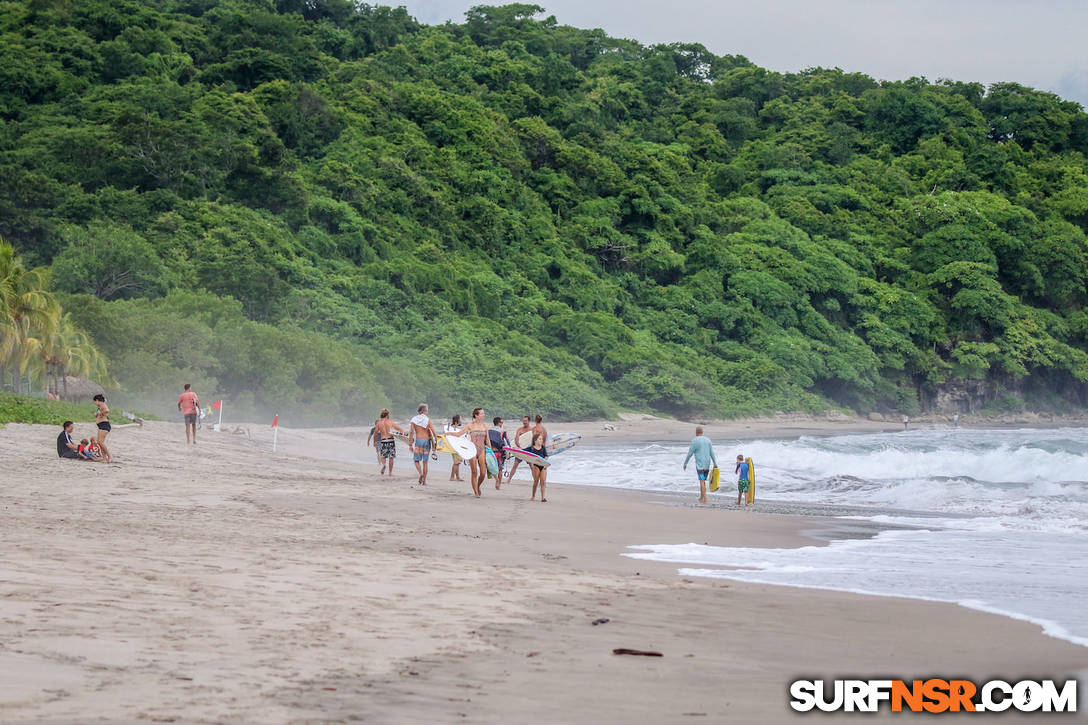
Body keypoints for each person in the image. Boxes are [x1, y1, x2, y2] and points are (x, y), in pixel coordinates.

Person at [447, 407, 489, 497]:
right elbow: (459, 434)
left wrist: (491, 452)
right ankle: (476, 492)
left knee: (483, 473)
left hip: (482, 450)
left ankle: (478, 486)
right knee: (474, 472)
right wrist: (450, 434)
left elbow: (487, 440)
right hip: (472, 450)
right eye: (482, 413)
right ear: (476, 415)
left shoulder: (485, 426)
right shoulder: (470, 425)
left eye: (483, 413)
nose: (483, 415)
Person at [682, 426, 718, 504]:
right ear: (702, 432)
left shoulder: (694, 441)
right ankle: (701, 497)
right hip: (707, 464)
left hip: (700, 466)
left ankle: (705, 499)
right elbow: (712, 453)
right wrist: (715, 463)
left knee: (701, 481)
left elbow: (690, 454)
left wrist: (685, 464)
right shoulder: (708, 440)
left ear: (696, 432)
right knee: (703, 480)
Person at [409, 403, 439, 485]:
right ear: (424, 411)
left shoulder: (414, 419)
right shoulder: (428, 420)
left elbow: (411, 432)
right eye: (427, 411)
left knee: (416, 460)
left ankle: (421, 473)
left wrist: (410, 444)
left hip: (419, 441)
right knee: (425, 462)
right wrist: (435, 445)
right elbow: (433, 433)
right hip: (426, 441)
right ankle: (424, 481)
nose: (427, 413)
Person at [374, 409, 405, 476]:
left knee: (383, 456)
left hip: (383, 440)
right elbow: (399, 429)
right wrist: (403, 434)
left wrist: (374, 441)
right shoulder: (390, 422)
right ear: (388, 415)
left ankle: (384, 465)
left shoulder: (379, 423)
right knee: (391, 457)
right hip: (390, 440)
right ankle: (390, 472)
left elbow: (375, 433)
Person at [527, 417, 549, 501]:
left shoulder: (543, 448)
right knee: (536, 481)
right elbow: (525, 453)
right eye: (540, 439)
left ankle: (543, 497)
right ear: (535, 440)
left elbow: (546, 456)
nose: (541, 440)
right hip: (535, 466)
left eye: (542, 439)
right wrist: (532, 464)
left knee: (543, 481)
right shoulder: (531, 448)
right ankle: (533, 496)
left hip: (542, 465)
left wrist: (545, 463)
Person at [505, 415, 531, 482]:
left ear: (529, 421)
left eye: (525, 421)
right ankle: (509, 480)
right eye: (523, 421)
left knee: (532, 466)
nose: (524, 422)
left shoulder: (532, 430)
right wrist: (519, 447)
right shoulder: (520, 429)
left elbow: (533, 441)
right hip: (521, 450)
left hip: (528, 451)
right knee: (515, 465)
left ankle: (537, 481)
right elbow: (516, 440)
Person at [488, 417, 510, 490]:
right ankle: (498, 484)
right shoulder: (503, 431)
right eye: (501, 422)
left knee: (491, 467)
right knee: (500, 469)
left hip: (491, 452)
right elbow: (507, 442)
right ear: (499, 423)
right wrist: (509, 452)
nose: (502, 424)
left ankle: (496, 479)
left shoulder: (489, 430)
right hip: (500, 453)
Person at [93, 394, 113, 463]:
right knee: (99, 442)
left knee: (100, 442)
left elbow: (107, 410)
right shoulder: (100, 406)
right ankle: (104, 458)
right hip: (101, 425)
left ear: (97, 400)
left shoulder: (103, 405)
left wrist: (100, 413)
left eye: (95, 402)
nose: (95, 403)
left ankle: (109, 456)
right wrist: (97, 415)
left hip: (104, 425)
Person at [446, 415, 464, 481]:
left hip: (457, 446)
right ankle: (452, 477)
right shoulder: (451, 428)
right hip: (455, 447)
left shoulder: (456, 429)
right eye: (460, 419)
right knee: (456, 462)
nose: (461, 420)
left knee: (458, 462)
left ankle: (458, 477)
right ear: (457, 421)